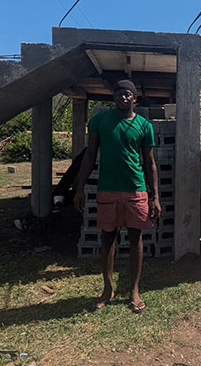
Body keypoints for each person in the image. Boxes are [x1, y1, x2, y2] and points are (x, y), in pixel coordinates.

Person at [72, 79, 160, 313]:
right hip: (107, 189)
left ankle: (134, 289)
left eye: (127, 94)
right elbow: (90, 154)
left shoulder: (144, 125)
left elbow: (150, 163)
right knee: (108, 238)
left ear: (134, 98)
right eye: (119, 94)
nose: (123, 97)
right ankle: (107, 288)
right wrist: (79, 188)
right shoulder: (100, 121)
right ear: (114, 97)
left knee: (135, 239)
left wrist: (156, 197)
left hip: (136, 189)